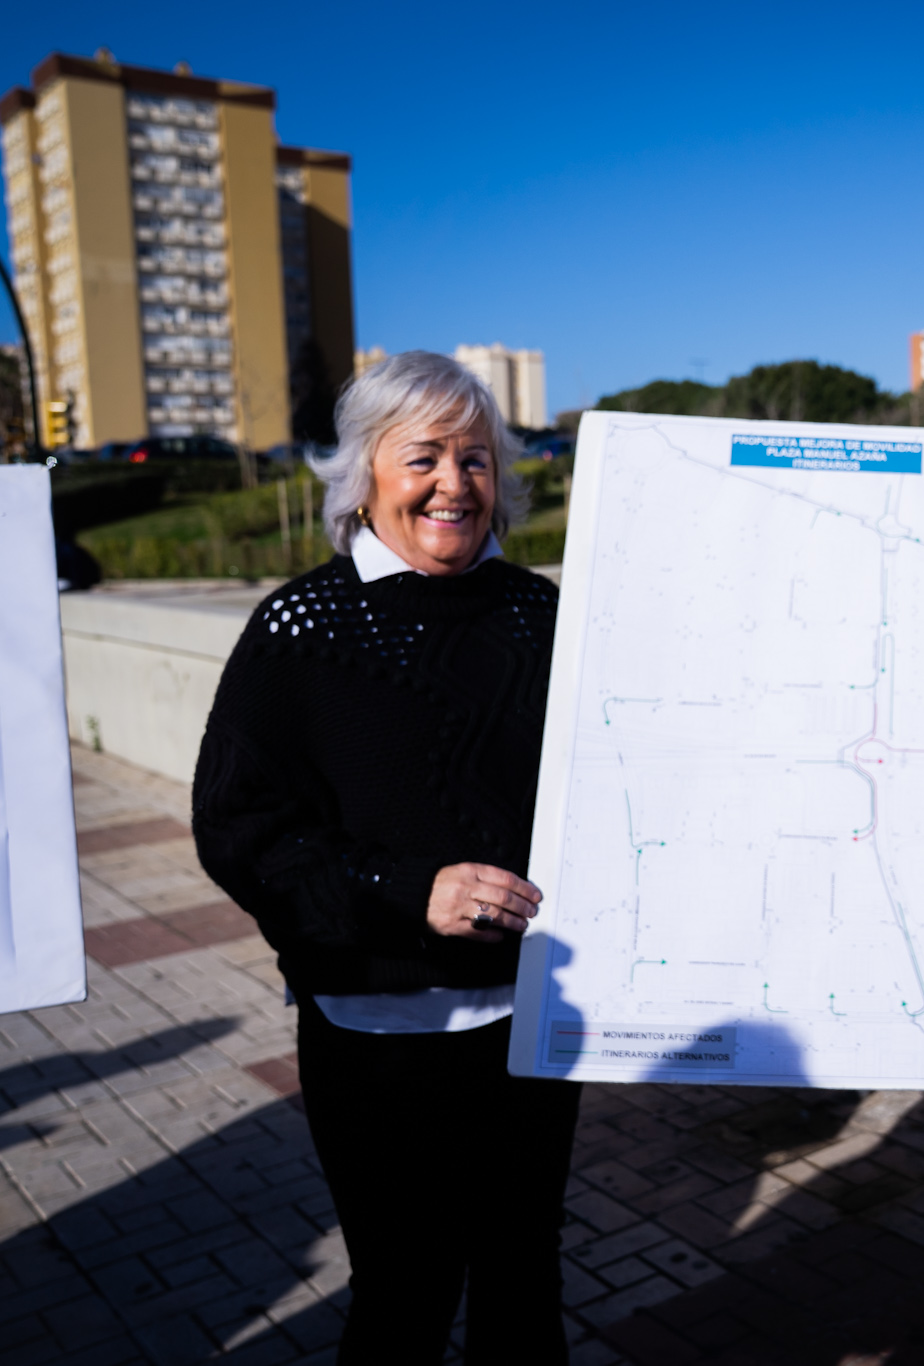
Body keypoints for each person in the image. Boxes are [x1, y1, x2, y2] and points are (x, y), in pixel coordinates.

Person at [193, 352, 578, 1364]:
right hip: (378, 1037)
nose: (455, 483)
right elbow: (239, 826)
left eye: (476, 458)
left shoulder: (540, 615)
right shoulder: (302, 626)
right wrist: (410, 890)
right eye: (424, 457)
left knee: (524, 1283)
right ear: (363, 473)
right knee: (405, 1295)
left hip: (529, 1026)